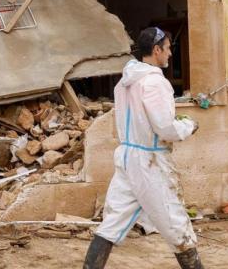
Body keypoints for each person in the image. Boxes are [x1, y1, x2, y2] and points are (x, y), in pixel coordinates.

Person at [83, 27, 203, 269]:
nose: (170, 54)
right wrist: (189, 125)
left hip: (128, 156)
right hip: (150, 160)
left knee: (113, 222)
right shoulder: (155, 82)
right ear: (156, 50)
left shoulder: (125, 82)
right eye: (168, 48)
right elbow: (165, 128)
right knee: (176, 222)